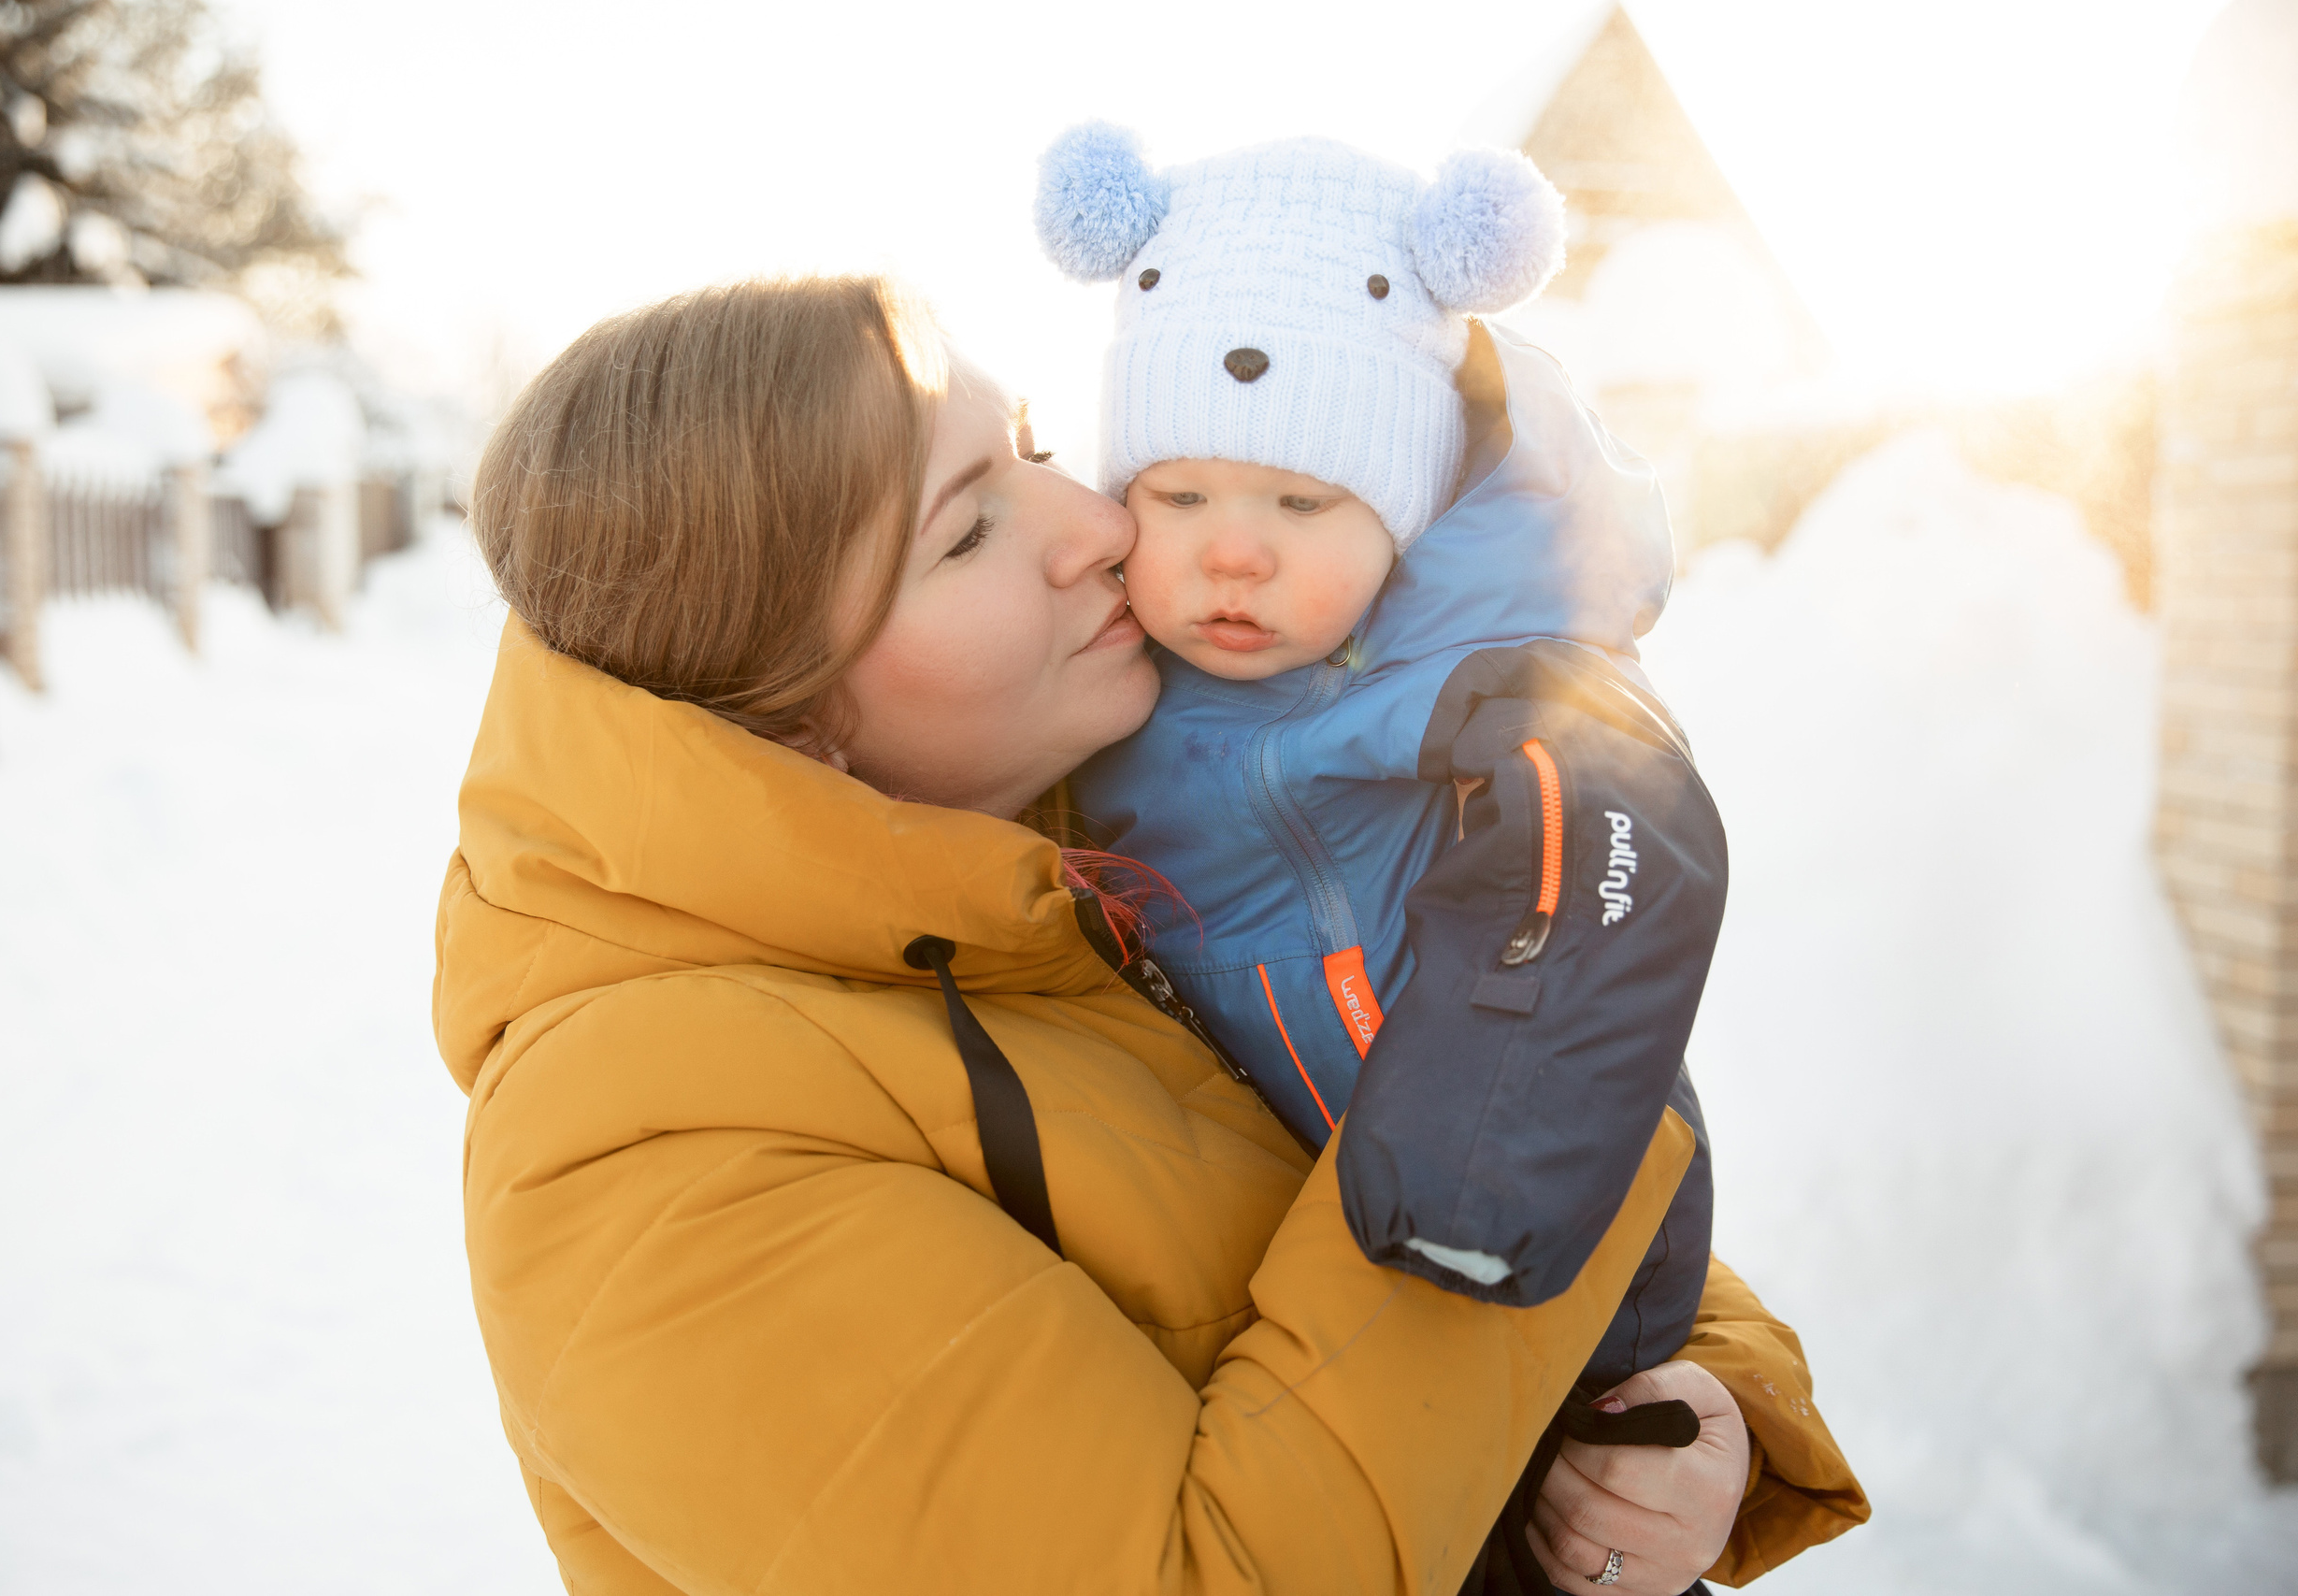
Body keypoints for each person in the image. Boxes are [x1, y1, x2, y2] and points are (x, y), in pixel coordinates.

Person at [434, 274, 1868, 1595]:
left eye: (1038, 447)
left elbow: (1364, 1111)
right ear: (789, 715)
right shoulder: (639, 1170)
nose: (1102, 526)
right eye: (971, 531)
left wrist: (1702, 1396)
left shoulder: (1084, 845)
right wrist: (1528, 1081)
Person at [1041, 126, 1730, 1592]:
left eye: (1303, 506)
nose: (1233, 556)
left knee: (1584, 1519)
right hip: (1300, 1290)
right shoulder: (1090, 690)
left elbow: (1619, 859)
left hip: (1532, 1195)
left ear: (1403, 521)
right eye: (1179, 496)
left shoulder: (1473, 679)